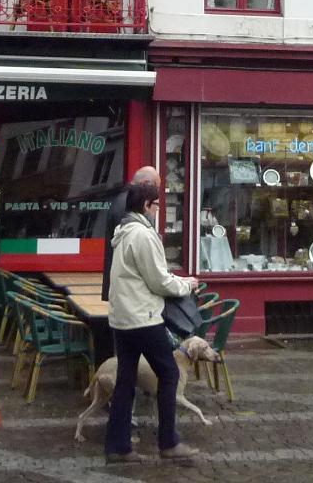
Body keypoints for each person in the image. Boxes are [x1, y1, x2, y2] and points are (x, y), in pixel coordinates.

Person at [105, 180, 200, 464]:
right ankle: (168, 442)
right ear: (146, 205)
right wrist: (186, 284)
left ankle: (118, 446)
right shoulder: (143, 236)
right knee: (169, 373)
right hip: (143, 318)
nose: (159, 210)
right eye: (157, 205)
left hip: (122, 318)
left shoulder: (123, 233)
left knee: (125, 381)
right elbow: (158, 281)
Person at [102, 166, 159, 301]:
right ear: (145, 183)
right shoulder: (130, 205)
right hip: (129, 290)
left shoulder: (122, 199)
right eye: (156, 188)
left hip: (123, 287)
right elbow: (137, 252)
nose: (157, 193)